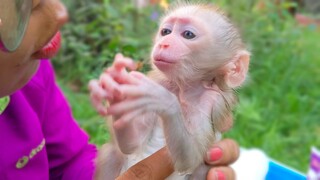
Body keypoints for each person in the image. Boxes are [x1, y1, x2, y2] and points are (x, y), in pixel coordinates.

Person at [0, 0, 239, 179]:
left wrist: (120, 111)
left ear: (236, 67)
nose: (60, 13)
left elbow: (76, 160)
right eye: (166, 31)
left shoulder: (31, 76)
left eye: (188, 34)